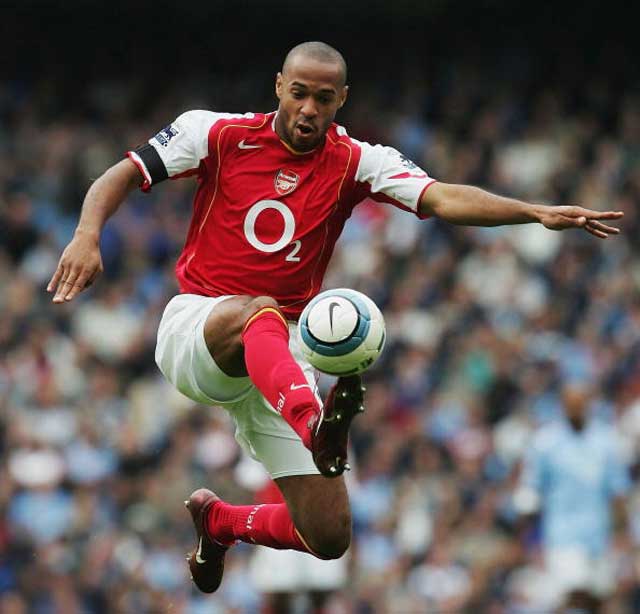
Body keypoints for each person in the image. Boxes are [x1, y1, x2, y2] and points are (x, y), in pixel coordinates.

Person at [47, 41, 623, 594]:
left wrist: (535, 212)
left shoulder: (355, 160)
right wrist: (85, 237)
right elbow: (118, 174)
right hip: (199, 325)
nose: (308, 108)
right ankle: (312, 427)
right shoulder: (214, 132)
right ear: (279, 86)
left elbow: (442, 197)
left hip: (278, 361)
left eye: (324, 99)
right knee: (260, 312)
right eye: (298, 93)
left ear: (341, 99)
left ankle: (220, 523)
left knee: (327, 536)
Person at [514, 382, 632, 612]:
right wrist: (529, 541)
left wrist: (623, 535)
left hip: (599, 534)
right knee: (571, 593)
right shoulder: (546, 442)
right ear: (563, 405)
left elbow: (618, 492)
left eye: (580, 403)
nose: (575, 408)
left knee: (600, 596)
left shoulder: (606, 441)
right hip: (562, 533)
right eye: (571, 403)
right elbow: (531, 492)